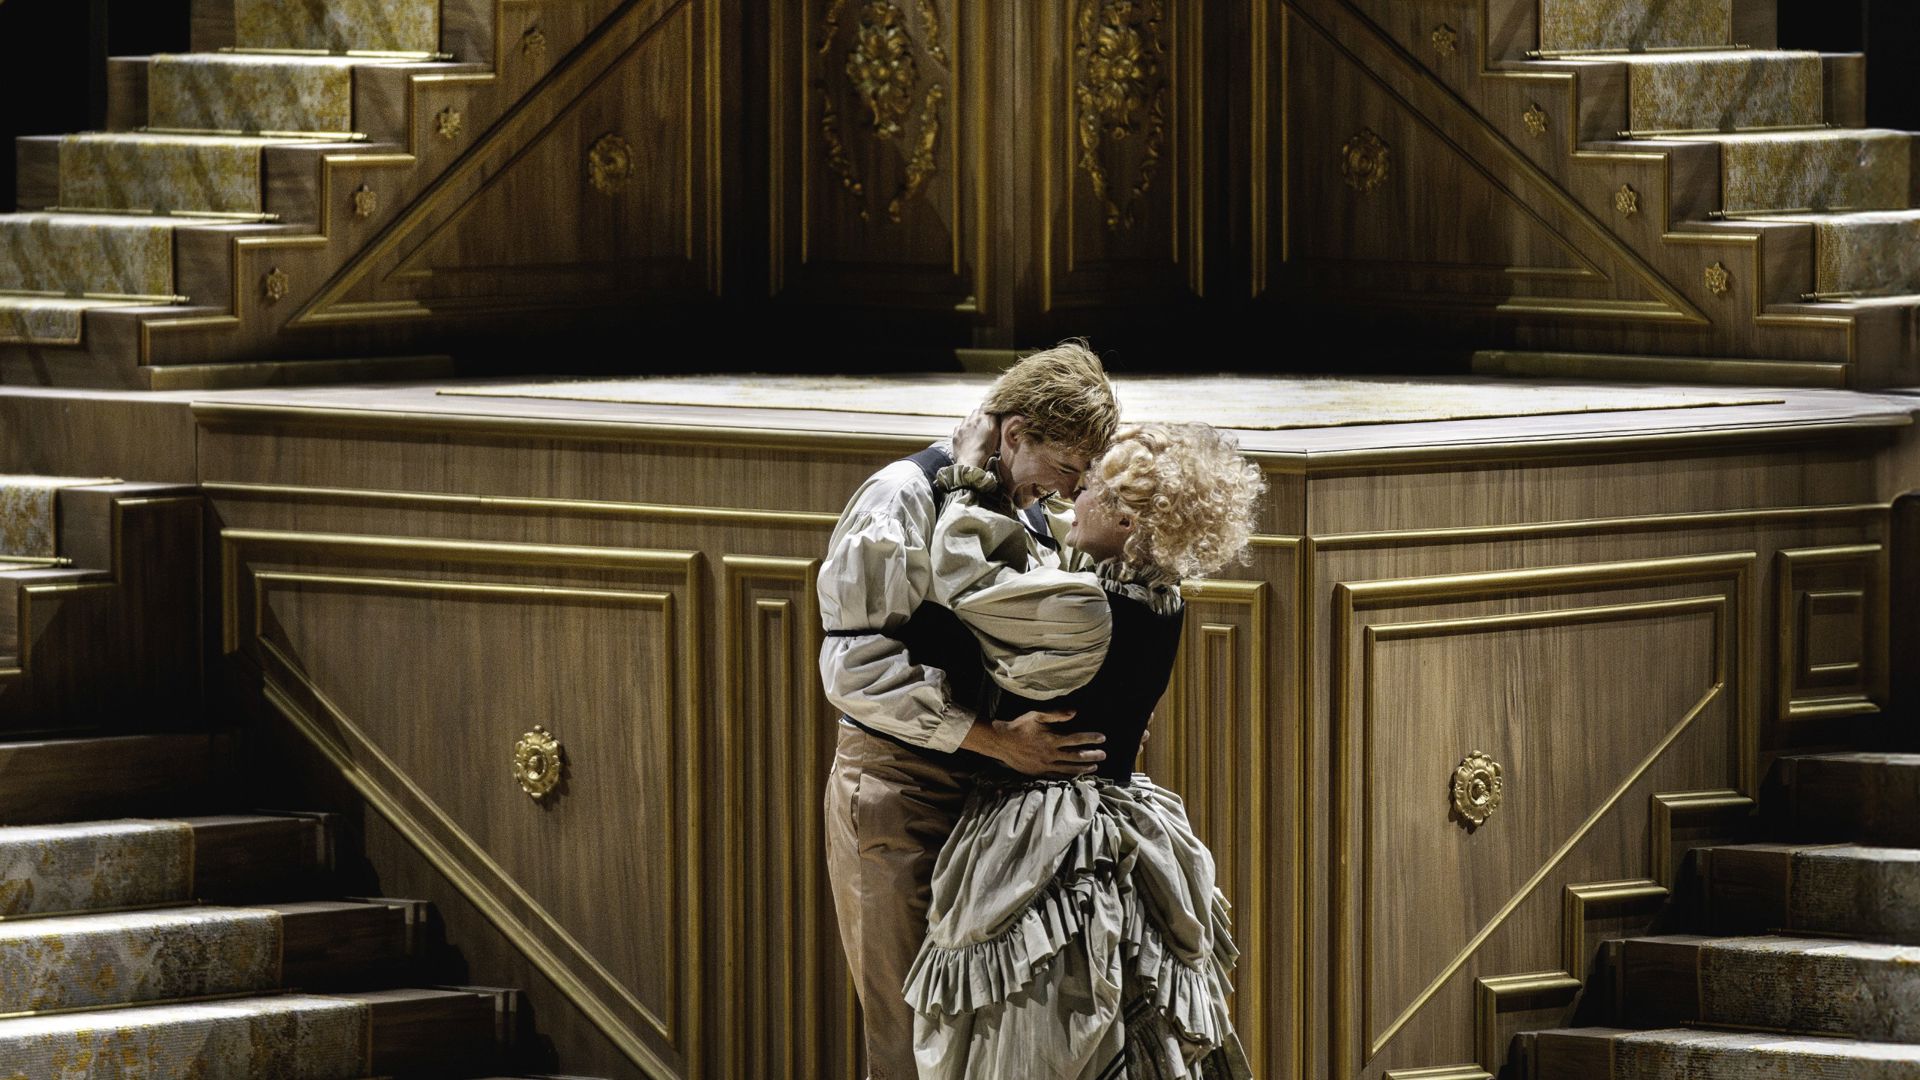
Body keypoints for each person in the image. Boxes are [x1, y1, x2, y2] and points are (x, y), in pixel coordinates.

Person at [903, 419, 1265, 1079]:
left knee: (1041, 1017)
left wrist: (967, 475)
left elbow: (962, 586)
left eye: (1091, 487)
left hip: (1049, 828)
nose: (1074, 496)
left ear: (1127, 522)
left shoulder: (1086, 607)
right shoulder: (1161, 599)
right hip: (1115, 806)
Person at [819, 342, 1122, 1080]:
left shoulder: (1026, 507)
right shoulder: (901, 496)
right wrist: (993, 739)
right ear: (1015, 433)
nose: (1071, 489)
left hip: (985, 795)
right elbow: (854, 668)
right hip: (900, 792)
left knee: (971, 1039)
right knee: (909, 1036)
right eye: (1067, 466)